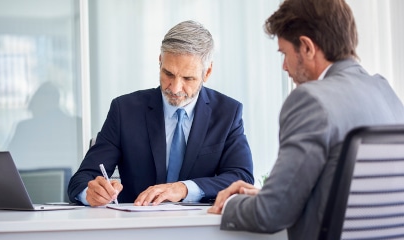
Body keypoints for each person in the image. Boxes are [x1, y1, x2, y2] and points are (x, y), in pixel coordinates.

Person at [207, 0, 404, 239]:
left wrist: (229, 204)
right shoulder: (385, 92)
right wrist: (268, 195)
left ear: (307, 48)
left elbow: (271, 214)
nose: (284, 66)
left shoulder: (311, 100)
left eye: (285, 54)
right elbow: (348, 200)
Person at [67, 20, 254, 207]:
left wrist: (183, 189)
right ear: (160, 62)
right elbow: (81, 179)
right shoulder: (125, 110)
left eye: (188, 78)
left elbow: (241, 177)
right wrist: (90, 193)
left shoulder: (227, 113)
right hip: (137, 229)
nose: (175, 88)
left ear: (208, 72)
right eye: (169, 74)